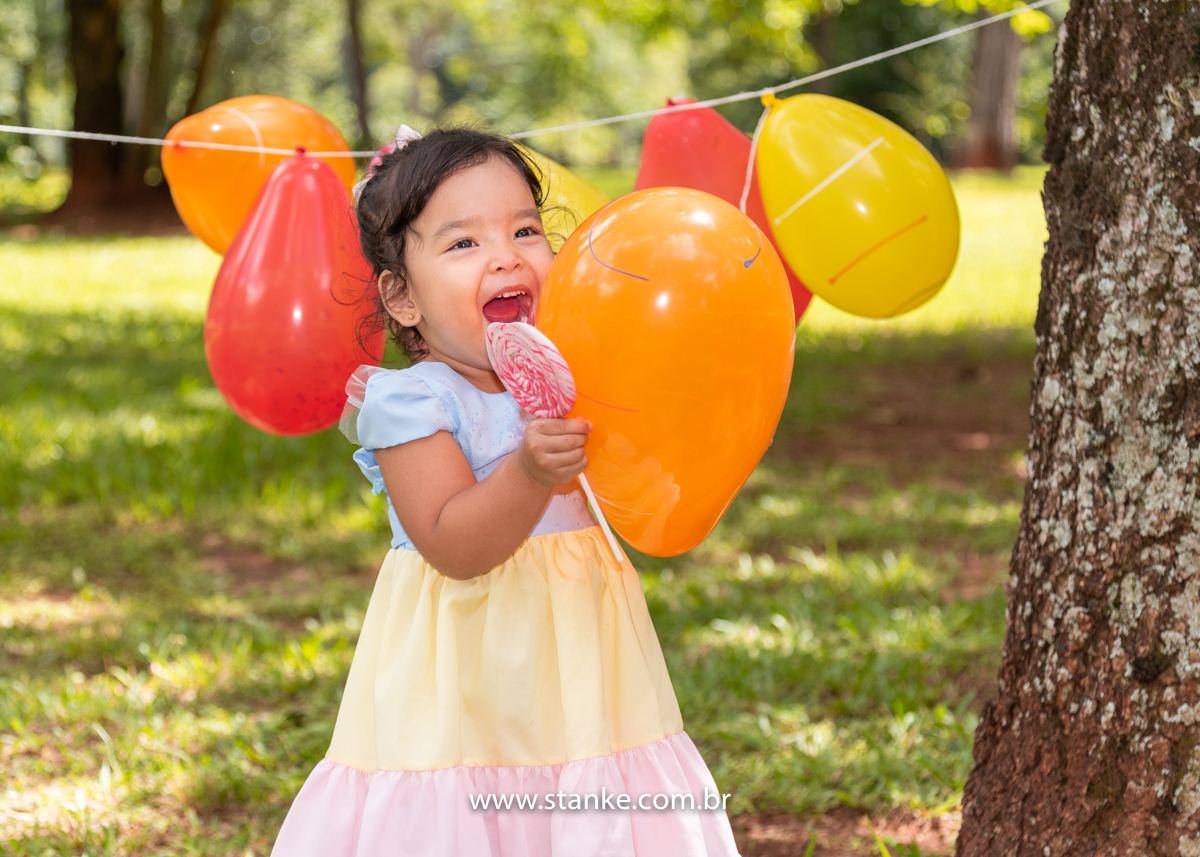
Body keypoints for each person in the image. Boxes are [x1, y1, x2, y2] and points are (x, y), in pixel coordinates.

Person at [270, 126, 739, 856]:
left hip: (585, 669)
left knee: (591, 792)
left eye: (525, 229)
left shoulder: (577, 378)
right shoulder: (415, 403)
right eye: (463, 244)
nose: (505, 255)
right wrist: (526, 472)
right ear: (402, 299)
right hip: (467, 684)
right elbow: (453, 542)